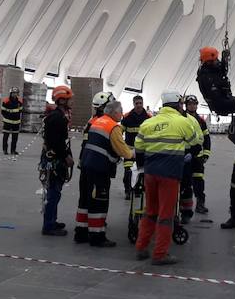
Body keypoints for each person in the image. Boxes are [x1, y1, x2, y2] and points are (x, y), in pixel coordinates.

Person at [134, 90, 202, 265]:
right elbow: (196, 144)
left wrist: (142, 168)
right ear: (178, 104)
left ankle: (141, 247)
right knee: (166, 215)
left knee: (150, 211)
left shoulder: (148, 123)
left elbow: (139, 149)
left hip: (150, 173)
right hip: (170, 175)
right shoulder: (183, 122)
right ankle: (160, 254)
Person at [74, 94, 132, 247]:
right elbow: (123, 151)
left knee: (85, 200)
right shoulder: (113, 126)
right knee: (99, 202)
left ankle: (81, 233)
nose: (122, 114)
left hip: (86, 165)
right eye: (120, 112)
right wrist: (136, 153)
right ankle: (97, 235)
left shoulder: (97, 122)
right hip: (99, 169)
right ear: (114, 112)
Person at [196, 46, 235, 149]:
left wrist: (225, 59)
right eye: (215, 60)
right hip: (221, 105)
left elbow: (222, 71)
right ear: (208, 62)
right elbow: (219, 102)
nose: (217, 62)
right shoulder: (207, 79)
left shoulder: (213, 70)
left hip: (226, 99)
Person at [41, 85, 75, 236]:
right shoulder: (57, 118)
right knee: (53, 193)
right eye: (68, 99)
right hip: (54, 160)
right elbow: (56, 142)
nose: (70, 102)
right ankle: (48, 226)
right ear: (61, 100)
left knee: (55, 192)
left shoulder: (59, 116)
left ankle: (52, 221)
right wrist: (66, 157)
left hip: (55, 158)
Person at [121, 95, 152, 199]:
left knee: (141, 171)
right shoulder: (126, 117)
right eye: (136, 103)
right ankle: (127, 190)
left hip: (143, 150)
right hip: (129, 149)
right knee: (128, 171)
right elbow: (120, 132)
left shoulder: (148, 118)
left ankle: (138, 190)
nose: (139, 105)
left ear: (142, 103)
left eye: (140, 103)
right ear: (133, 104)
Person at [184, 95, 211, 215]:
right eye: (189, 104)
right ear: (186, 105)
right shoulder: (182, 119)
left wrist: (206, 153)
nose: (192, 106)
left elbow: (206, 138)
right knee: (185, 182)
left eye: (194, 104)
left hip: (198, 157)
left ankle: (200, 204)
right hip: (186, 156)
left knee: (199, 181)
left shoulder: (201, 121)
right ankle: (184, 207)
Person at [178, 104, 204, 224]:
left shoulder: (191, 120)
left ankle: (186, 213)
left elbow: (199, 140)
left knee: (186, 187)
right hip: (170, 158)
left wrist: (192, 154)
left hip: (185, 158)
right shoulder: (167, 119)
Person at [1, 87, 23, 155]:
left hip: (16, 122)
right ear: (11, 93)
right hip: (7, 122)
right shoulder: (6, 101)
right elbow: (3, 111)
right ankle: (5, 150)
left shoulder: (20, 101)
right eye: (13, 93)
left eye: (16, 93)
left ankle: (13, 150)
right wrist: (7, 117)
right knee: (6, 137)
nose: (14, 94)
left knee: (15, 138)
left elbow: (20, 110)